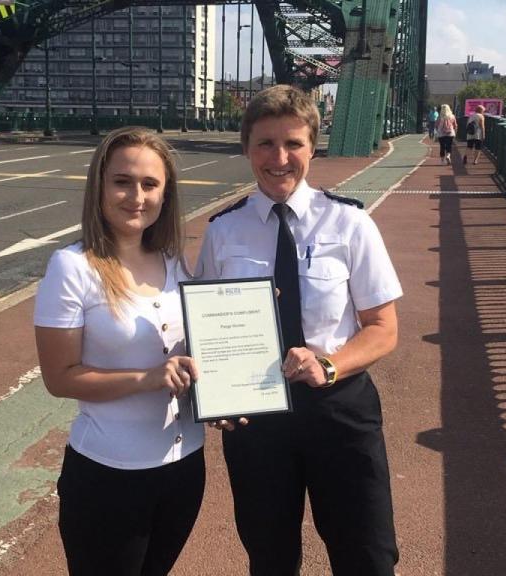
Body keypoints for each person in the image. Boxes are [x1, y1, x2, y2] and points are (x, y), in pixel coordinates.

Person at [197, 85, 402, 575]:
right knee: (269, 557)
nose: (279, 158)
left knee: (367, 554)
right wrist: (214, 395)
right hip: (257, 419)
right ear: (247, 148)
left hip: (339, 409)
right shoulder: (223, 231)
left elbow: (382, 327)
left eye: (293, 144)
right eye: (265, 144)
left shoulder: (350, 223)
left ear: (312, 147)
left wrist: (328, 364)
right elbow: (205, 326)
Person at [34, 126, 205, 576]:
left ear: (166, 195)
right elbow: (59, 377)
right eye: (122, 181)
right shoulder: (72, 267)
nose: (136, 196)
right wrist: (146, 378)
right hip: (110, 474)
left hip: (184, 466)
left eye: (150, 184)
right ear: (100, 187)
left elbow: (195, 354)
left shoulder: (176, 263)